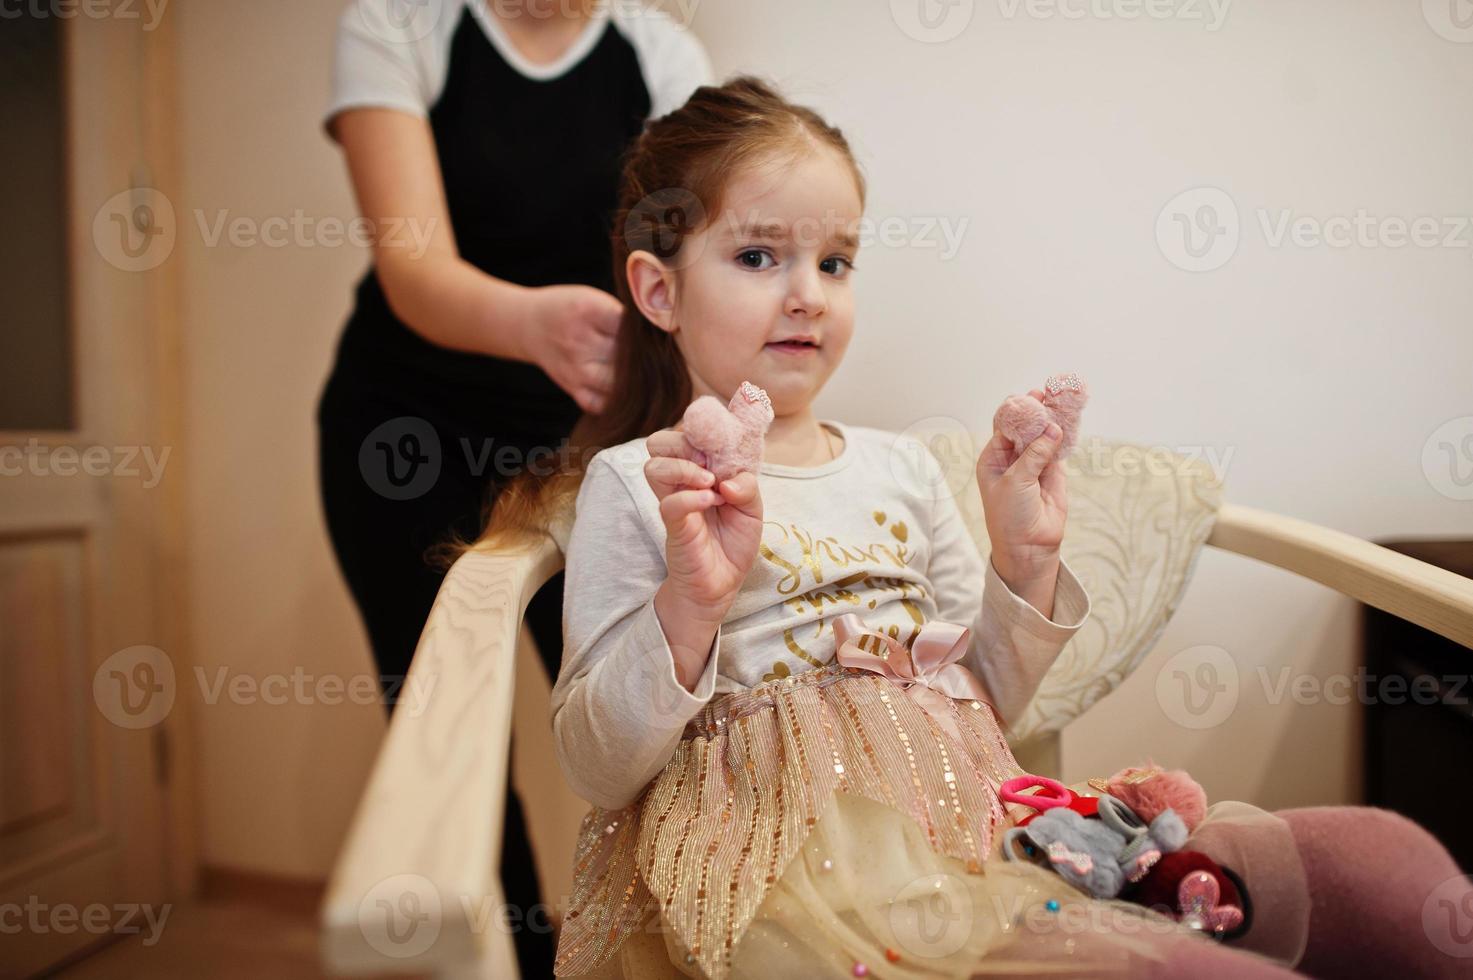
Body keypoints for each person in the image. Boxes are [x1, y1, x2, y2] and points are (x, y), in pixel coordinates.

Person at [475, 77, 1472, 978]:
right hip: (799, 897)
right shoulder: (645, 481)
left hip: (982, 835)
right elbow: (599, 764)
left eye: (835, 259)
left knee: (1389, 867)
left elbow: (982, 705)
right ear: (659, 289)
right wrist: (690, 602)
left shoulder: (900, 467)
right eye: (757, 254)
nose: (808, 293)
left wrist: (1023, 563)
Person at [315, 1, 710, 975]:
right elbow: (413, 268)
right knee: (457, 755)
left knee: (649, 725)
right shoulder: (400, 24)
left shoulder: (658, 55)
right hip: (401, 439)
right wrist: (535, 326)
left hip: (580, 448)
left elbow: (694, 258)